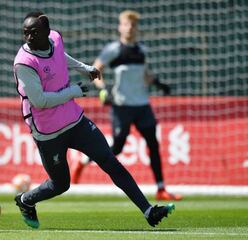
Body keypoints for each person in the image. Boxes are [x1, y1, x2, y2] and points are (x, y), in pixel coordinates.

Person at [13, 11, 175, 229]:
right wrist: (73, 91)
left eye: (34, 32)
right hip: (48, 131)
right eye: (25, 33)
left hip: (75, 121)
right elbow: (40, 100)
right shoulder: (24, 63)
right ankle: (25, 200)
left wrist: (84, 68)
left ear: (47, 32)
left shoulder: (55, 39)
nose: (29, 37)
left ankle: (148, 211)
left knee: (110, 161)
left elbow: (60, 56)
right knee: (61, 185)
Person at [71, 10, 182, 201]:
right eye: (126, 24)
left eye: (133, 24)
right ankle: (83, 161)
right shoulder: (113, 50)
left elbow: (145, 75)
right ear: (120, 27)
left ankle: (161, 189)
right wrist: (103, 89)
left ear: (137, 28)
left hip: (142, 105)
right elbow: (95, 71)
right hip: (122, 106)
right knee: (118, 146)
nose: (130, 27)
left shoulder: (142, 51)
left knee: (153, 145)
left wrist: (158, 83)